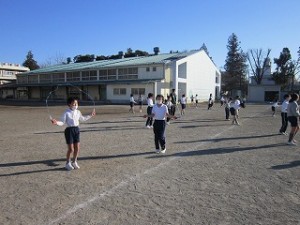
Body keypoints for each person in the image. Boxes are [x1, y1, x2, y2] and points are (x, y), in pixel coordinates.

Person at [51, 97, 96, 171]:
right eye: (73, 103)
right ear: (69, 104)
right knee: (71, 149)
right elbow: (62, 122)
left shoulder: (78, 112)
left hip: (76, 129)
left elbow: (82, 119)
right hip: (69, 130)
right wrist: (56, 122)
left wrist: (91, 115)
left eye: (76, 103)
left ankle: (74, 161)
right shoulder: (66, 112)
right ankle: (67, 163)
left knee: (77, 148)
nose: (75, 105)